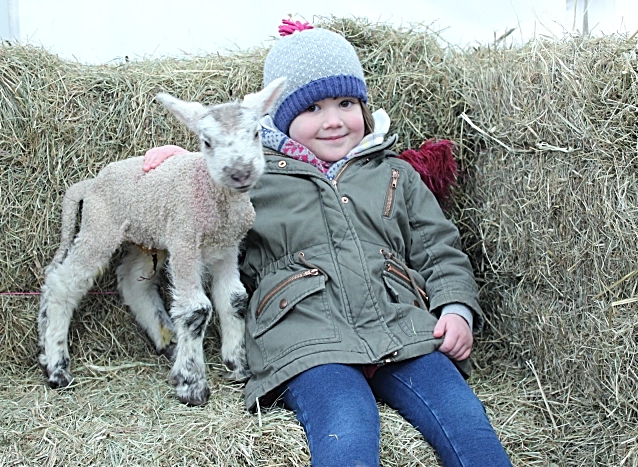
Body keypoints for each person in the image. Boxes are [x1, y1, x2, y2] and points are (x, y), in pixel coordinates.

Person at [144, 19, 512, 467]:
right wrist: (180, 168)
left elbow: (438, 247)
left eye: (345, 103)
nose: (334, 120)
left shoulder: (394, 173)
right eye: (313, 108)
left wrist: (455, 309)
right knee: (347, 426)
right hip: (305, 340)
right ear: (278, 117)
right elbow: (211, 209)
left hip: (403, 328)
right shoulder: (255, 182)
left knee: (464, 419)